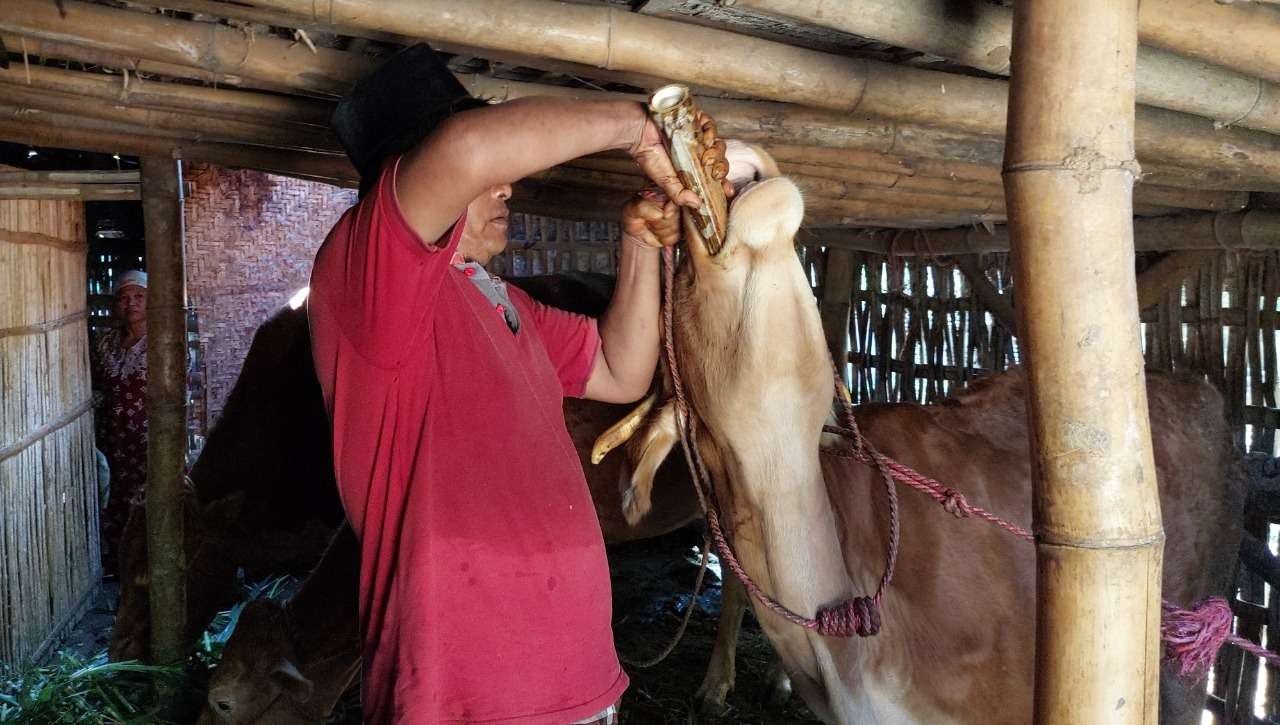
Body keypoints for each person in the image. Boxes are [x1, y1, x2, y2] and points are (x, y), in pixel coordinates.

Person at [309, 46, 746, 724]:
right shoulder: (368, 282)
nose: (506, 187)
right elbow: (468, 150)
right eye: (491, 179)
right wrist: (644, 129)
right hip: (471, 696)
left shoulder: (497, 298)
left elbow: (619, 369)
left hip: (578, 680)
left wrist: (639, 241)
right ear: (416, 176)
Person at [92, 269, 149, 576]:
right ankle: (117, 564)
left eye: (139, 296)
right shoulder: (106, 343)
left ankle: (145, 563)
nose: (132, 304)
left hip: (147, 438)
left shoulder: (164, 342)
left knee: (145, 499)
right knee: (112, 497)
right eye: (124, 298)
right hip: (111, 436)